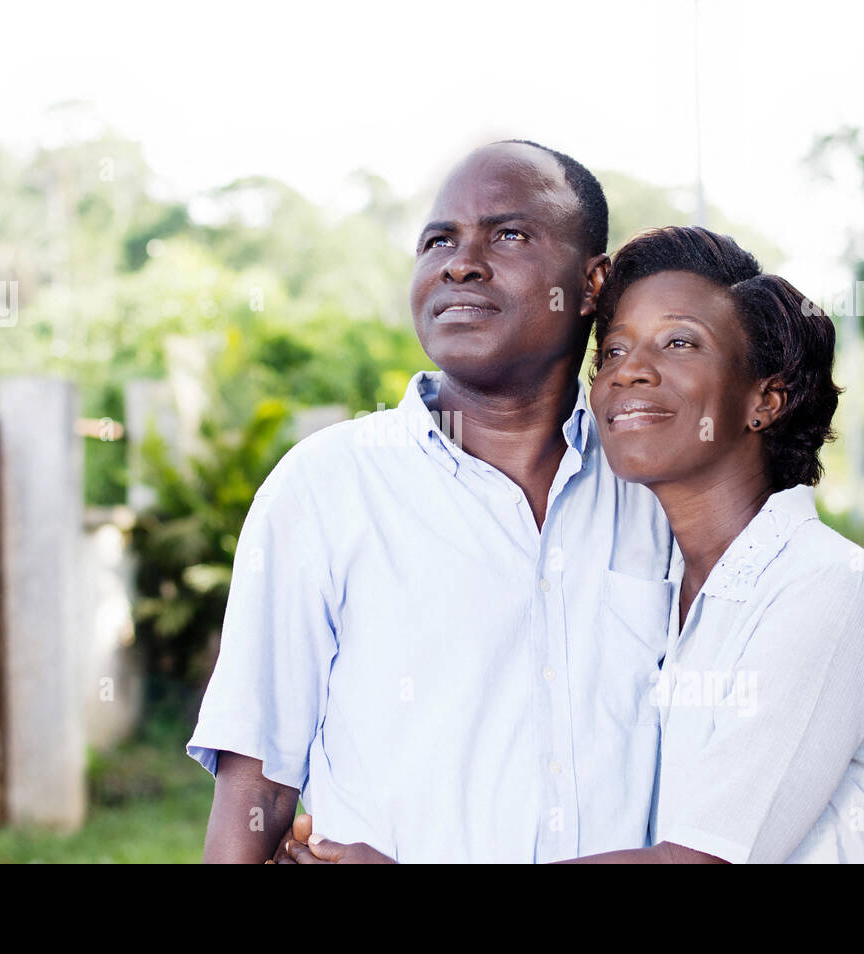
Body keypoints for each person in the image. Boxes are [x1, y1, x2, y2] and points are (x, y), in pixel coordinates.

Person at [286, 227, 864, 864]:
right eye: (614, 352)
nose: (631, 374)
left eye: (680, 342)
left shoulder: (823, 587)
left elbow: (695, 864)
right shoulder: (676, 583)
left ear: (766, 397)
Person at [189, 141, 675, 863]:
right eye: (437, 240)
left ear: (591, 282)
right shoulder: (325, 488)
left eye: (508, 235)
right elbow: (255, 790)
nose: (460, 263)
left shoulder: (662, 489)